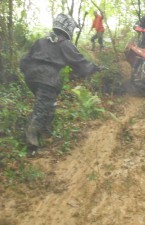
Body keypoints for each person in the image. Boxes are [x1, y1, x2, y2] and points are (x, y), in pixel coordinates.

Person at [19, 13, 105, 148]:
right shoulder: (65, 44)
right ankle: (32, 133)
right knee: (43, 106)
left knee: (49, 103)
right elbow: (80, 62)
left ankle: (45, 129)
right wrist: (95, 68)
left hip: (31, 76)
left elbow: (25, 59)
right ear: (68, 28)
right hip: (47, 78)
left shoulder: (41, 40)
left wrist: (26, 71)